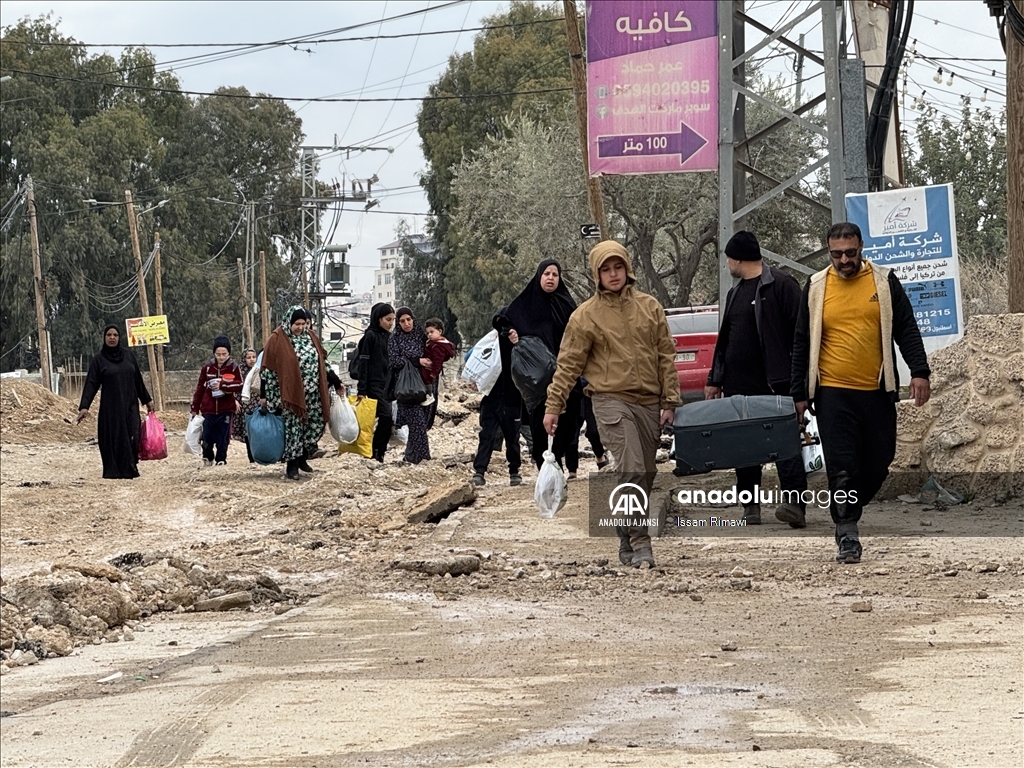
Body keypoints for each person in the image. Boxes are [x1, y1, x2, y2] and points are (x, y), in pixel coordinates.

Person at [791, 222, 931, 564]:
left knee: (880, 461)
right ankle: (848, 533)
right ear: (829, 252)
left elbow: (906, 328)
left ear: (861, 248)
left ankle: (847, 507)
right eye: (836, 254)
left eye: (850, 253)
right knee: (842, 466)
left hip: (877, 390)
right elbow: (801, 342)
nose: (844, 260)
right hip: (832, 394)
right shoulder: (815, 286)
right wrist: (799, 392)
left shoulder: (884, 281)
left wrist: (919, 371)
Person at [544, 241, 680, 569]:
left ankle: (623, 527)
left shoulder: (650, 307)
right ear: (597, 274)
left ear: (627, 268)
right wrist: (554, 405)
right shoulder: (585, 316)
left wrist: (670, 399)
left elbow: (666, 355)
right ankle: (640, 540)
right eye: (606, 269)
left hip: (648, 401)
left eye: (617, 267)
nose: (613, 274)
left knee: (644, 473)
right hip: (609, 400)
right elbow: (568, 364)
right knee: (632, 466)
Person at [704, 230, 808, 527]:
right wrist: (715, 378)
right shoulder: (735, 292)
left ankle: (794, 506)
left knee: (785, 445)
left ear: (737, 258)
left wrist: (797, 385)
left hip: (775, 385)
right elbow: (726, 340)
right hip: (738, 387)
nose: (727, 265)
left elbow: (802, 337)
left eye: (728, 259)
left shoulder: (782, 286)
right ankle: (750, 507)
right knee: (744, 447)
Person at [494, 259, 581, 473]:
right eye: (546, 274)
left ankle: (559, 463)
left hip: (566, 376)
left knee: (569, 424)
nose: (550, 278)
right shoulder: (525, 304)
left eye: (555, 274)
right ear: (538, 276)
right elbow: (500, 319)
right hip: (537, 383)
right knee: (541, 430)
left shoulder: (566, 304)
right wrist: (510, 332)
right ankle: (549, 473)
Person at [260, 306, 343, 480]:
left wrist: (335, 380)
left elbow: (322, 362)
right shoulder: (277, 339)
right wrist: (265, 396)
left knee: (314, 425)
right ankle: (292, 466)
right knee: (294, 430)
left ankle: (302, 457)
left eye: (303, 323)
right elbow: (267, 370)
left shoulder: (310, 336)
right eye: (296, 324)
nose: (300, 327)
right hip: (291, 395)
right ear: (288, 322)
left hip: (313, 394)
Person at [76, 324, 155, 479]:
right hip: (111, 408)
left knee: (133, 435)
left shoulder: (129, 356)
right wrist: (84, 407)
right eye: (109, 335)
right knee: (114, 438)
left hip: (130, 405)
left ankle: (130, 467)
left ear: (119, 338)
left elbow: (137, 380)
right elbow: (91, 384)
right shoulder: (99, 360)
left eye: (115, 335)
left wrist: (147, 400)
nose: (112, 338)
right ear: (104, 338)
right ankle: (114, 470)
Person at [471, 306, 524, 487]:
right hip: (491, 396)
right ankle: (479, 471)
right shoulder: (492, 340)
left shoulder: (521, 341)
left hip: (512, 396)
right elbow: (474, 356)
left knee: (512, 437)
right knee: (487, 435)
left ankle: (514, 471)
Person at [191, 335, 243, 466]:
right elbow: (200, 388)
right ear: (214, 353)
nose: (221, 357)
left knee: (223, 437)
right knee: (207, 436)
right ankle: (208, 457)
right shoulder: (207, 368)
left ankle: (221, 459)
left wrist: (223, 385)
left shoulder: (233, 368)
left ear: (229, 353)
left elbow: (239, 384)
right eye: (218, 354)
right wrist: (195, 408)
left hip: (226, 409)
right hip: (208, 409)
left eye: (224, 354)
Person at [389, 307, 431, 464]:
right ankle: (422, 458)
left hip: (424, 385)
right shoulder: (395, 338)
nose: (406, 323)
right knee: (417, 424)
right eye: (402, 321)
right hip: (407, 388)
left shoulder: (420, 335)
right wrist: (416, 361)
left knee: (421, 423)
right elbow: (394, 361)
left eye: (409, 319)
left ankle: (411, 456)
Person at [355, 303, 395, 462]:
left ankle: (379, 452)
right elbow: (363, 364)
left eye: (392, 320)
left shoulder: (389, 337)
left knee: (387, 419)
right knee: (385, 417)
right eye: (387, 319)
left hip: (386, 385)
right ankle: (375, 451)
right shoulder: (370, 337)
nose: (391, 323)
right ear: (378, 319)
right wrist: (362, 389)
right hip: (373, 385)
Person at [421, 317, 456, 428]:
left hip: (430, 373)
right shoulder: (436, 343)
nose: (429, 335)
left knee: (429, 392)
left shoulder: (437, 346)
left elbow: (437, 362)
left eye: (432, 332)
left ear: (440, 331)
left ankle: (426, 422)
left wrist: (433, 374)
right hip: (431, 372)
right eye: (427, 333)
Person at [232, 347, 259, 463]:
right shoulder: (239, 372)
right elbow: (233, 388)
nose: (252, 360)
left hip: (257, 405)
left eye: (254, 357)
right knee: (248, 433)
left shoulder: (259, 371)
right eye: (248, 357)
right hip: (244, 406)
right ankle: (251, 458)